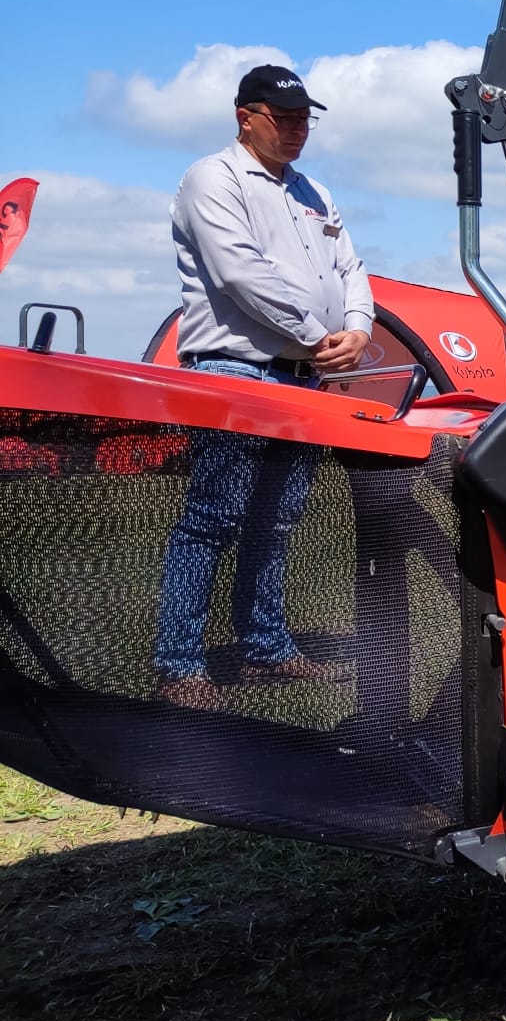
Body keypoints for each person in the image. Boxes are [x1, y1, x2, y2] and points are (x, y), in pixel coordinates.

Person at [154, 64, 374, 708]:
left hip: (303, 375)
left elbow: (351, 266)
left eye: (305, 119)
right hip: (234, 369)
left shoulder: (313, 191)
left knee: (275, 524)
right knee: (212, 518)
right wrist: (317, 335)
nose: (298, 130)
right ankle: (179, 667)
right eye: (284, 119)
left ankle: (265, 653)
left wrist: (357, 327)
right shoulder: (211, 179)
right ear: (245, 117)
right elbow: (238, 274)